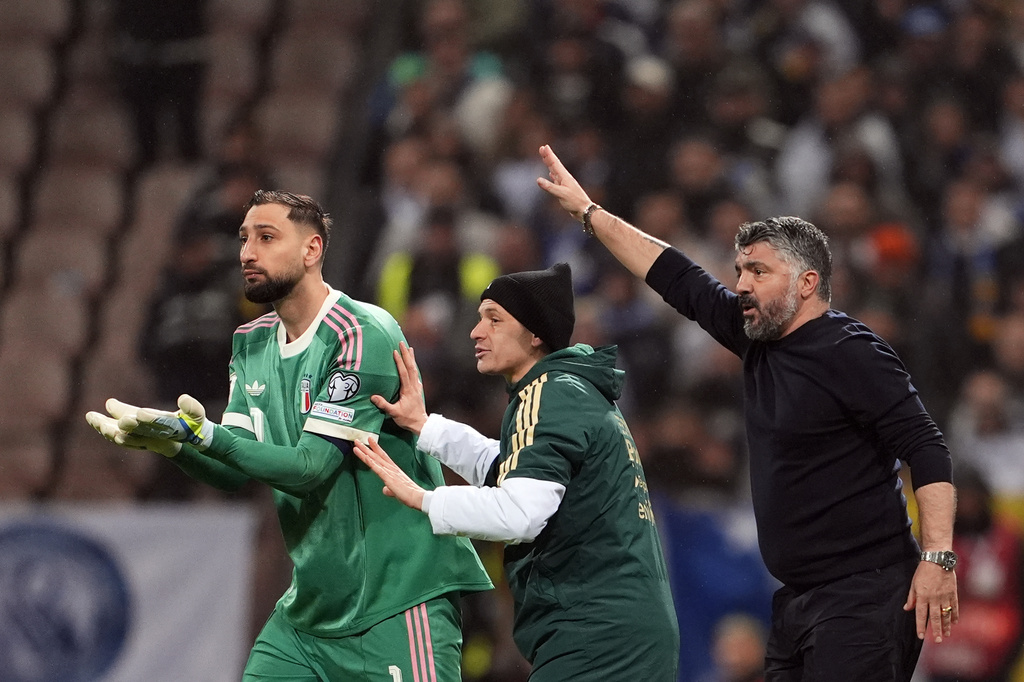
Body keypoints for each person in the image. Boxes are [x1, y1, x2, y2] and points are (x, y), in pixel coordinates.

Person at [534, 145, 958, 681]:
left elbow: (927, 447)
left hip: (864, 597)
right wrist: (590, 215)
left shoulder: (852, 351)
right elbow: (676, 276)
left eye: (758, 270)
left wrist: (938, 558)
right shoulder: (758, 337)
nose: (741, 284)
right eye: (740, 270)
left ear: (807, 283)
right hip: (798, 601)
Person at [86, 190, 493, 680]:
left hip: (395, 601)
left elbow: (310, 468)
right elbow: (233, 471)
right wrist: (174, 444)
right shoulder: (250, 340)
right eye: (243, 239)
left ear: (312, 249)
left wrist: (208, 437)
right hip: (310, 617)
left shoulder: (362, 333)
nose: (246, 252)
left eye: (266, 237)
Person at [351, 263, 680, 681]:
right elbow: (509, 466)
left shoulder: (552, 393)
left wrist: (423, 498)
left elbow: (520, 513)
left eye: (494, 319)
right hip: (616, 629)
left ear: (536, 333)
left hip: (597, 635)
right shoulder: (569, 390)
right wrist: (423, 424)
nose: (476, 331)